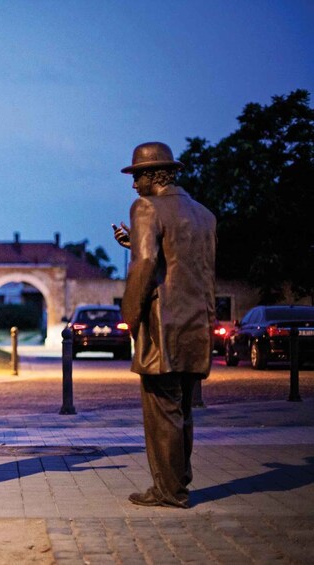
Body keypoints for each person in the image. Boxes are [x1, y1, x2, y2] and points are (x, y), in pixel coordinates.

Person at [114, 141, 216, 508]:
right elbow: (187, 264)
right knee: (183, 409)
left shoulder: (146, 207)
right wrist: (134, 244)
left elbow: (145, 265)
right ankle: (179, 481)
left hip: (162, 326)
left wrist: (129, 317)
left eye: (137, 176)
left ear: (153, 175)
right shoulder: (204, 215)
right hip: (196, 325)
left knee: (162, 411)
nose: (134, 185)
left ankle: (169, 491)